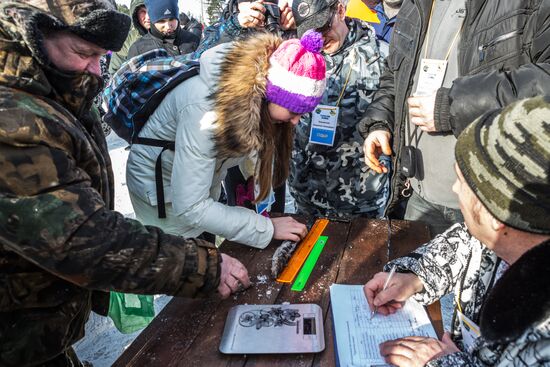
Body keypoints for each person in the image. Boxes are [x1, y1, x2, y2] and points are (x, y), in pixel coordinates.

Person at [0, 1, 249, 366]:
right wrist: (203, 268)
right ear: (32, 34)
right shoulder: (12, 123)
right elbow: (84, 240)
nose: (97, 71)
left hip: (37, 325)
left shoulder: (52, 88)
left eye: (101, 56)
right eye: (84, 53)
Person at [363, 96, 550, 366]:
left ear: (493, 213)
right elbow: (464, 244)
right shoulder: (505, 236)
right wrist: (414, 277)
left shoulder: (541, 333)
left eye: (461, 182)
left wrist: (445, 363)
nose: (454, 189)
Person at [358, 0, 550, 236]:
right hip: (416, 194)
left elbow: (544, 83)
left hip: (489, 206)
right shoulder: (414, 5)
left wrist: (451, 106)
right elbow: (395, 74)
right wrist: (380, 122)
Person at [125, 31, 327, 249]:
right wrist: (265, 228)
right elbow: (190, 206)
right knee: (180, 258)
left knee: (205, 245)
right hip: (161, 193)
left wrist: (251, 175)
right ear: (273, 93)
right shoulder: (205, 112)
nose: (296, 121)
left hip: (193, 183)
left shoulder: (252, 96)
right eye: (294, 110)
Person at [288, 0, 389, 218]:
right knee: (311, 253)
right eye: (310, 32)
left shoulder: (380, 57)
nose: (319, 38)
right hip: (307, 194)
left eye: (324, 27)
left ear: (341, 10)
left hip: (361, 200)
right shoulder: (297, 57)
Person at [127, 0, 199, 59]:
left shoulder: (193, 39)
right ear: (153, 21)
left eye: (171, 19)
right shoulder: (138, 49)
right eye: (162, 21)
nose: (168, 26)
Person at [109, 0, 150, 75]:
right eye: (142, 11)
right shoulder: (125, 41)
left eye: (150, 10)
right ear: (135, 14)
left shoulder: (173, 35)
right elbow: (115, 72)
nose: (148, 17)